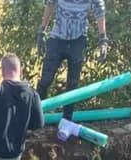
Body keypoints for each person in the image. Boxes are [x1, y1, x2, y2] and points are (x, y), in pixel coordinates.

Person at [35, 0, 108, 142]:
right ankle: (35, 118)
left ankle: (66, 121)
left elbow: (100, 13)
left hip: (77, 40)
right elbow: (49, 5)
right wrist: (41, 30)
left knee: (72, 84)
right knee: (45, 80)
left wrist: (103, 40)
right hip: (57, 38)